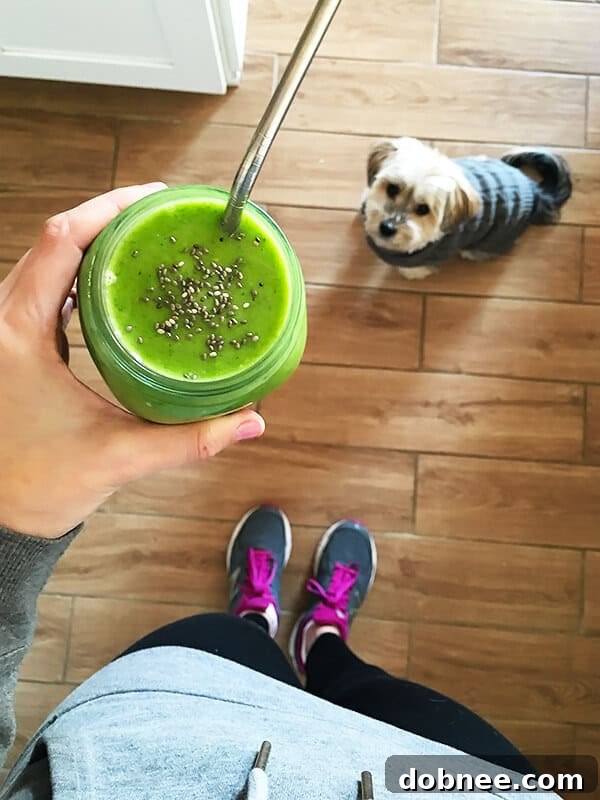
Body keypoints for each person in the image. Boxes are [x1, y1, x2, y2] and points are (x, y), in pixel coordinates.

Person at [1, 188, 539, 799]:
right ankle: (322, 640)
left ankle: (257, 622)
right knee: (367, 690)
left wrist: (9, 517)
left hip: (138, 743)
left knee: (222, 644)